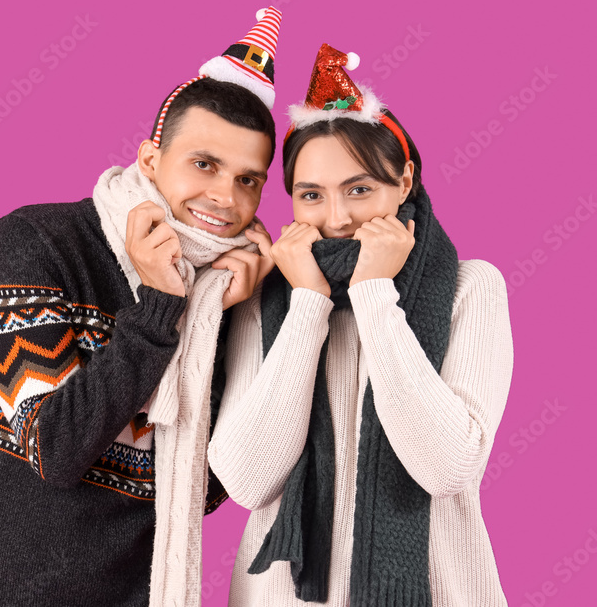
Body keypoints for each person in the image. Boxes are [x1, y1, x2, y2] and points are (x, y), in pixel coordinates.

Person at [0, 8, 283, 606]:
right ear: (149, 159)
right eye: (204, 164)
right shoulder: (41, 241)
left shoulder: (231, 288)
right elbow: (55, 449)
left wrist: (236, 325)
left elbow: (214, 485)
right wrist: (162, 301)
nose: (226, 196)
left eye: (250, 180)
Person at [208, 43, 514, 606]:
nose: (338, 218)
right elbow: (249, 481)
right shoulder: (264, 296)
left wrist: (374, 292)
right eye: (311, 196)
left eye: (360, 189)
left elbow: (446, 468)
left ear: (404, 181)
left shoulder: (471, 288)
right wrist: (306, 304)